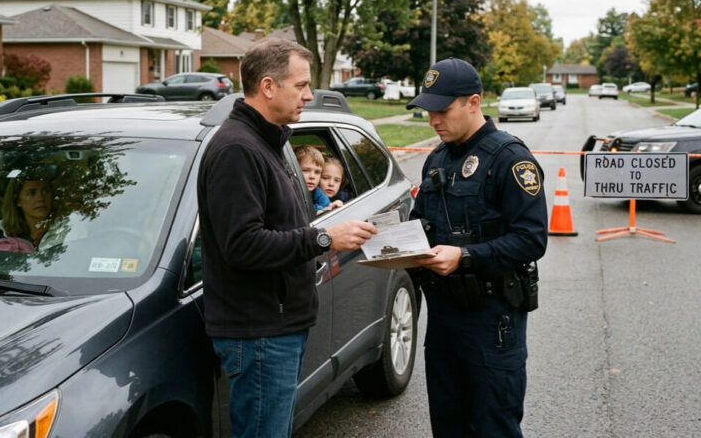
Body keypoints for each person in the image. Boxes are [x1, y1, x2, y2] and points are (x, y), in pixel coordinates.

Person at [196, 38, 378, 437]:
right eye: (301, 86)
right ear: (267, 86)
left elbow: (277, 226)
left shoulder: (267, 140)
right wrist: (324, 239)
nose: (309, 95)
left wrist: (319, 231)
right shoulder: (237, 150)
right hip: (259, 331)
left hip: (275, 326)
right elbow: (242, 245)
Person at [407, 58, 548, 437]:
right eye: (428, 111)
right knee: (449, 424)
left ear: (473, 102)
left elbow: (531, 238)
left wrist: (466, 256)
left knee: (493, 425)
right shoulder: (437, 158)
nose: (434, 120)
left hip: (491, 319)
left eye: (443, 109)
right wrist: (392, 246)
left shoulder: (510, 159)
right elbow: (422, 223)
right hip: (444, 317)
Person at [294, 145, 335, 213]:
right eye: (306, 170)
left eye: (317, 172)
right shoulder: (289, 192)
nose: (312, 176)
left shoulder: (318, 192)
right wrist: (317, 210)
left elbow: (327, 206)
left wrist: (329, 208)